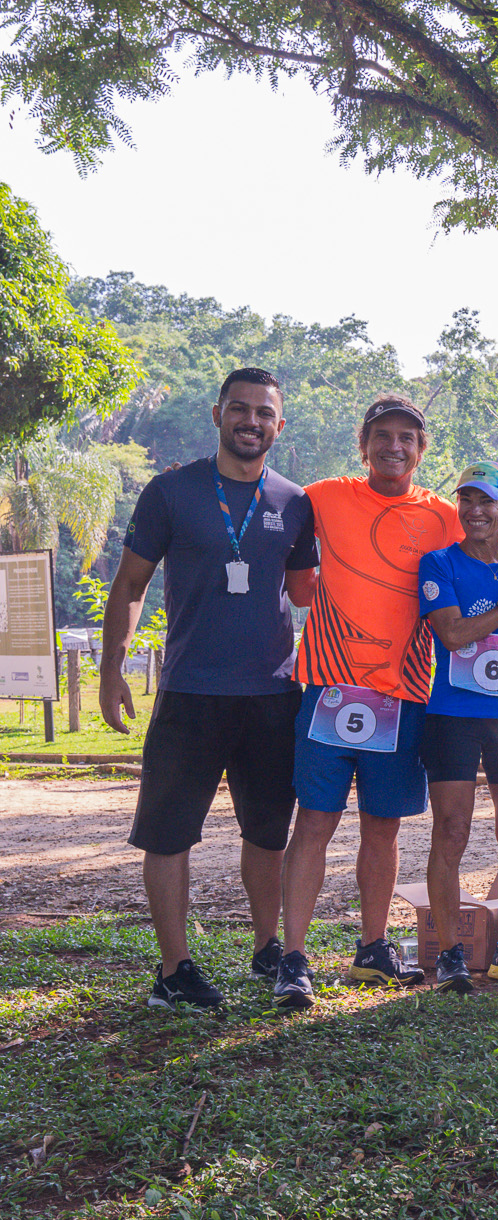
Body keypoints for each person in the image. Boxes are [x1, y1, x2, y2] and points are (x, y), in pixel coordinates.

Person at [98, 368, 318, 1007]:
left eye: (264, 413)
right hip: (190, 692)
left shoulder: (295, 502)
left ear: (280, 425)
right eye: (240, 409)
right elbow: (131, 584)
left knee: (268, 832)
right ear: (218, 413)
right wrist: (112, 669)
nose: (252, 421)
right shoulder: (171, 491)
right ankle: (174, 971)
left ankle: (267, 948)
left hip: (273, 694)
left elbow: (308, 592)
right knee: (168, 833)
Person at [273, 394, 463, 1007]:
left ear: (421, 450)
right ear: (363, 445)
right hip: (329, 688)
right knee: (315, 823)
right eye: (383, 435)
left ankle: (373, 949)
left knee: (383, 828)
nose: (394, 446)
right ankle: (292, 959)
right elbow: (268, 516)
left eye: (407, 438)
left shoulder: (444, 516)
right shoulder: (325, 496)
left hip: (401, 696)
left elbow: (484, 557)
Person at [417, 461, 498, 993]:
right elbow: (452, 634)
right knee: (451, 831)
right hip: (453, 716)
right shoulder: (439, 562)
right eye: (466, 499)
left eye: (487, 500)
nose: (475, 510)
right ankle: (450, 953)